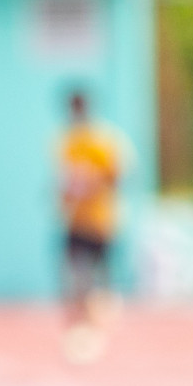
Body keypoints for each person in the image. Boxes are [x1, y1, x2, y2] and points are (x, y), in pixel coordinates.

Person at [58, 89, 122, 363]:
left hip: (100, 220)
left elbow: (116, 177)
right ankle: (78, 331)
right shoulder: (68, 142)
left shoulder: (102, 140)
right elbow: (66, 180)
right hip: (75, 220)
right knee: (75, 279)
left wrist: (90, 184)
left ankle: (97, 332)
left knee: (98, 281)